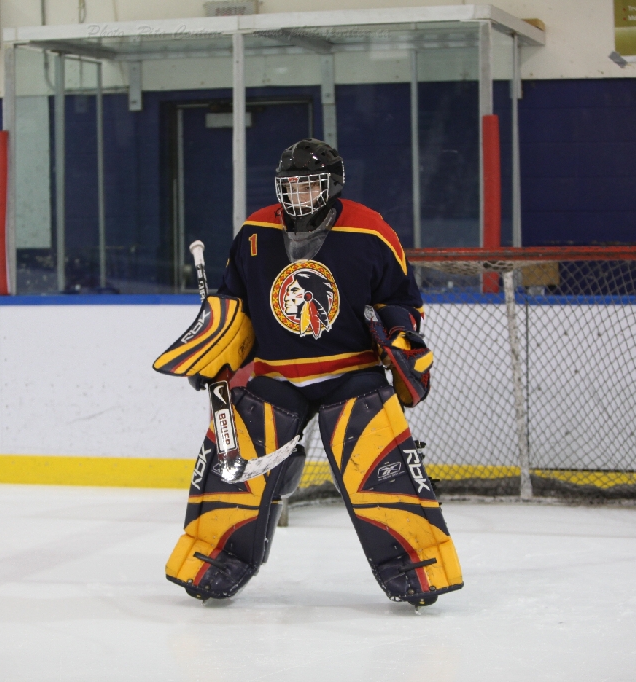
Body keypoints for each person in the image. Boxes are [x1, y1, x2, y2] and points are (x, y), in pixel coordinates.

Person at [154, 138, 463, 605]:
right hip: (277, 375)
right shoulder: (255, 231)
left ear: (333, 185)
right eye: (290, 186)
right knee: (231, 469)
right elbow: (235, 303)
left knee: (382, 469)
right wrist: (213, 348)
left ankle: (418, 566)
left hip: (351, 373)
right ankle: (212, 559)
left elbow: (401, 301)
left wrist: (399, 339)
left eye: (308, 185)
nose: (297, 195)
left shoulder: (371, 231)